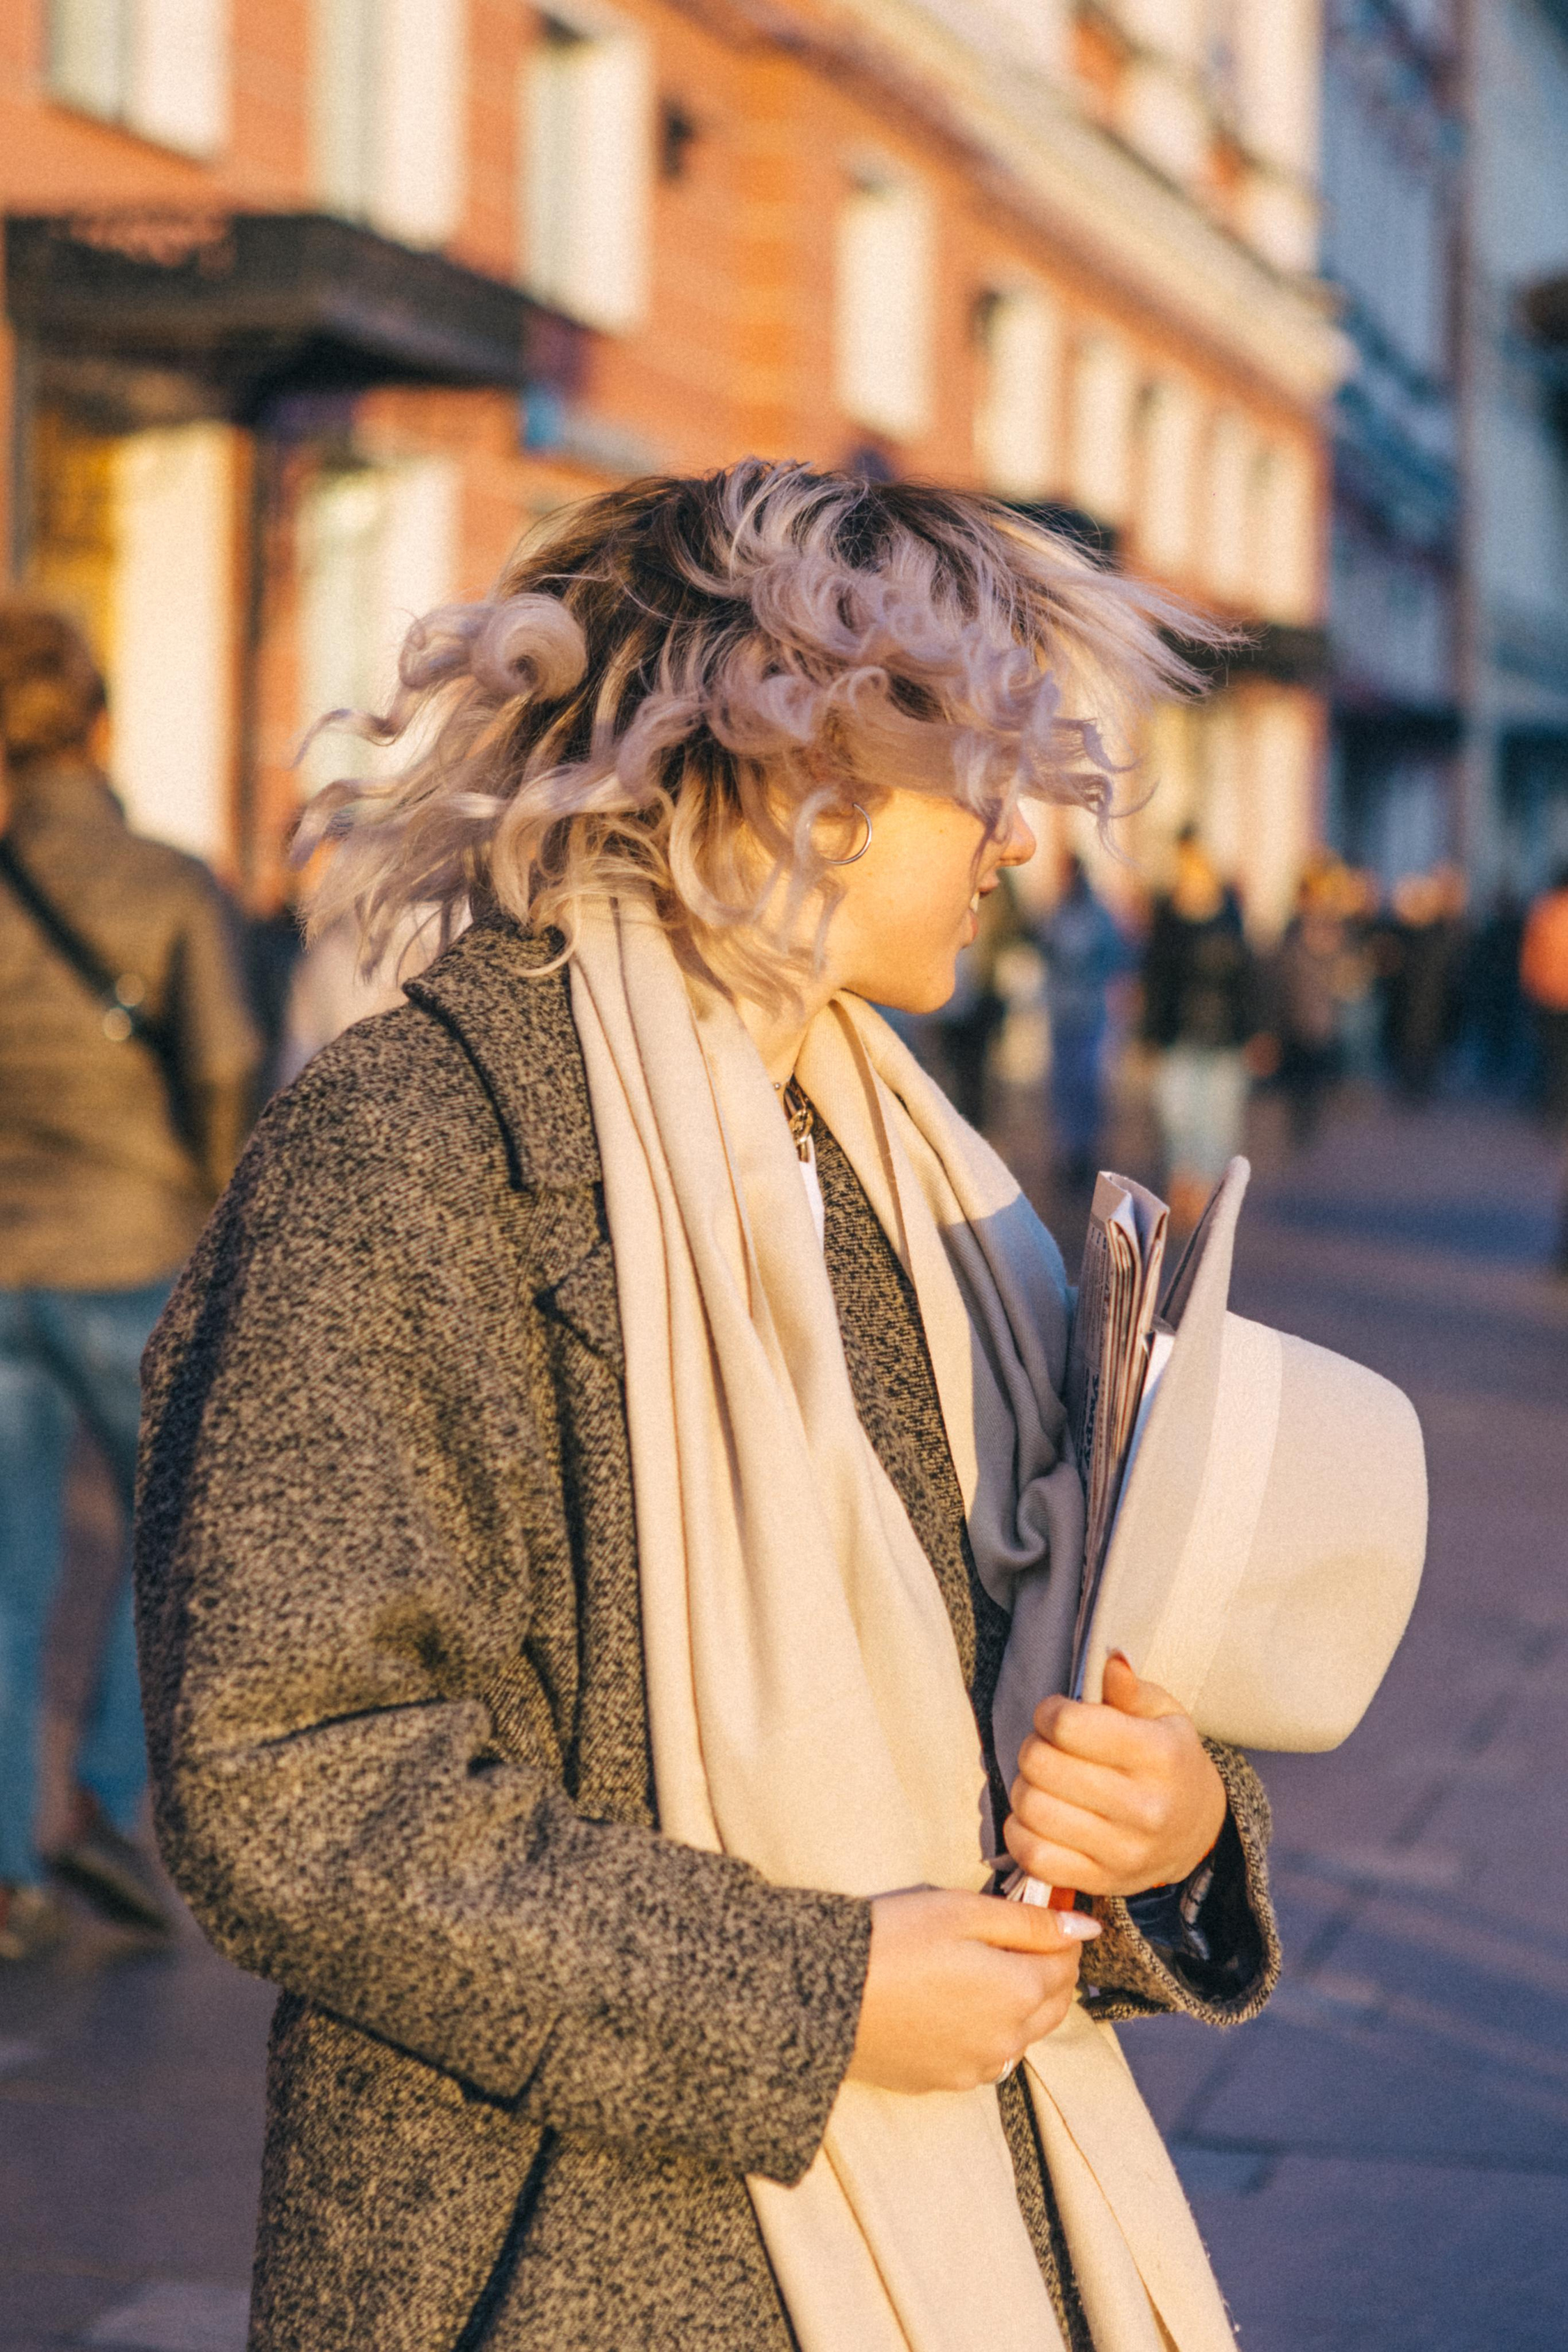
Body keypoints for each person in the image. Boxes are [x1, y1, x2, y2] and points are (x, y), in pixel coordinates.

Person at [135, 466, 1278, 2351]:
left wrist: (1168, 1824)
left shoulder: (923, 1167)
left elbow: (1048, 1664)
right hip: (574, 2253)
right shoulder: (419, 1140)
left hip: (982, 2215)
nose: (1010, 838)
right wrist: (811, 1993)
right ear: (789, 763)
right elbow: (290, 1773)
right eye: (970, 770)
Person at [0, 603, 260, 1962]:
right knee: (168, 1543)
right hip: (132, 1250)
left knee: (10, 1566)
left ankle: (4, 1857)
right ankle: (104, 1801)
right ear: (94, 724)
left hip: (2, 1264)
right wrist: (227, 1206)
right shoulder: (165, 880)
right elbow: (223, 1058)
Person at [1140, 826, 1262, 1230]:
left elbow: (1248, 976)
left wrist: (1255, 1032)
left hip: (1224, 1035)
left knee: (1218, 1119)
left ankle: (1208, 1196)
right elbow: (1154, 978)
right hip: (1179, 1033)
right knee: (1177, 1116)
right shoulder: (1167, 914)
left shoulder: (1229, 912)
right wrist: (1149, 1033)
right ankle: (1183, 1189)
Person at [1035, 851, 1132, 1187]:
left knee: (1087, 1081)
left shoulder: (1097, 915)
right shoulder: (1057, 914)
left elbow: (1115, 955)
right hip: (1063, 1010)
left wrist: (1087, 970)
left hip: (1089, 1010)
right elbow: (1045, 950)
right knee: (1063, 1084)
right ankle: (1068, 1148)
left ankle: (1086, 1148)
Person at [1269, 861, 1346, 1151]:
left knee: (1314, 1079)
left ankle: (1308, 1126)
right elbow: (1278, 973)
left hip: (1321, 1017)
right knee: (1296, 1080)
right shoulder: (1291, 930)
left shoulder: (1332, 928)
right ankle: (1298, 1125)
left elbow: (1343, 969)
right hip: (1293, 1016)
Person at [1519, 863, 1568, 1275]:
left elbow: (1532, 957)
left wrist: (1534, 989)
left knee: (1553, 1065)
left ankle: (1552, 1105)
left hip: (1550, 999)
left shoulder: (1546, 911)